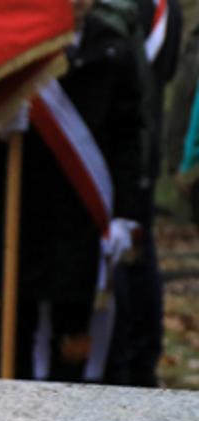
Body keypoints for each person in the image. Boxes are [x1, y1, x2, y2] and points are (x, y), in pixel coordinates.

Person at [0, 0, 146, 380]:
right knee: (14, 335)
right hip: (23, 213)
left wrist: (124, 212)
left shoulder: (112, 46)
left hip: (83, 215)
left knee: (74, 338)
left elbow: (127, 136)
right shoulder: (15, 42)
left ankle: (71, 410)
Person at [107, 0, 181, 386]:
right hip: (135, 146)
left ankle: (134, 357)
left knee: (132, 254)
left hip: (132, 148)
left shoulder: (152, 10)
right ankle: (135, 355)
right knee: (135, 251)